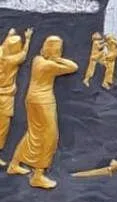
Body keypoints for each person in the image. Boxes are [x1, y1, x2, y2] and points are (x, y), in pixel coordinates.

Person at [7, 35, 78, 189]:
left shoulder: (37, 59)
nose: (60, 51)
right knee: (50, 137)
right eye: (58, 49)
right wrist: (57, 59)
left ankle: (14, 164)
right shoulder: (48, 66)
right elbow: (73, 67)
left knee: (33, 133)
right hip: (44, 102)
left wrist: (52, 57)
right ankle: (38, 175)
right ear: (53, 49)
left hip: (32, 99)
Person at [0, 27, 32, 159]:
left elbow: (3, 46)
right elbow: (24, 54)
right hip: (5, 96)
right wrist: (28, 39)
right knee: (3, 126)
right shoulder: (12, 61)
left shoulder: (1, 53)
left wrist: (9, 35)